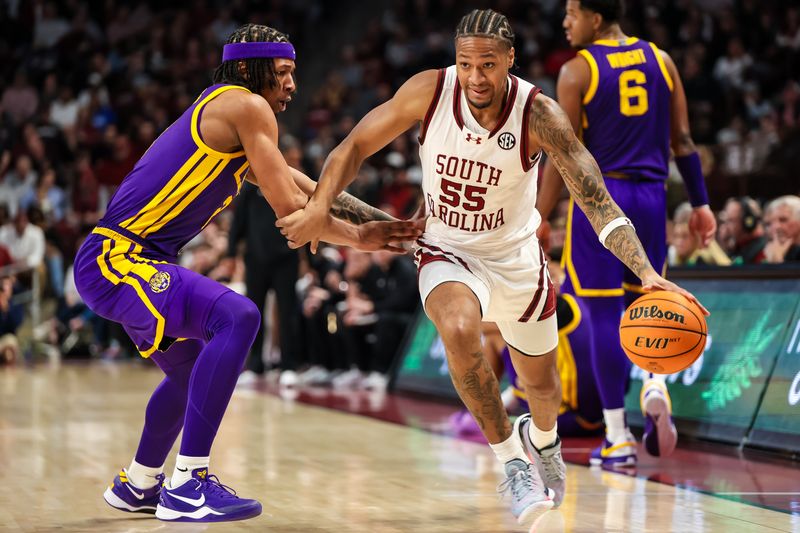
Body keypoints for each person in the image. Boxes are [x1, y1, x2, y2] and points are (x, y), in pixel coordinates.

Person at [276, 9, 706, 525]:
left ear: (509, 61)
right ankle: (512, 463)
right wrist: (322, 203)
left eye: (487, 65)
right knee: (459, 330)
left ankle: (541, 440)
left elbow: (596, 199)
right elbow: (354, 146)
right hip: (448, 251)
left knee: (544, 392)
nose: (475, 77)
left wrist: (646, 272)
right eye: (465, 64)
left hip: (519, 259)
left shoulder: (538, 113)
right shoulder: (429, 92)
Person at [73, 24, 420, 523]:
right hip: (119, 259)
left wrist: (375, 228)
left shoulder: (234, 121)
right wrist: (356, 233)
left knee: (189, 372)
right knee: (238, 316)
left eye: (294, 73)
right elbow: (292, 212)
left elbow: (310, 191)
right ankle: (188, 483)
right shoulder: (244, 105)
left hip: (122, 261)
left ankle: (140, 483)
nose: (292, 86)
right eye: (282, 73)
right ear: (245, 69)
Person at [534, 0, 717, 469]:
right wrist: (699, 204)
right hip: (655, 199)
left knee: (601, 314)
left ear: (596, 18)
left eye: (572, 13)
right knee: (650, 298)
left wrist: (538, 214)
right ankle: (654, 385)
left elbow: (564, 154)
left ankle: (617, 436)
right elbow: (685, 141)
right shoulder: (663, 60)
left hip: (601, 201)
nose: (565, 22)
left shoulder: (577, 71)